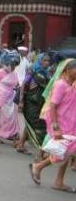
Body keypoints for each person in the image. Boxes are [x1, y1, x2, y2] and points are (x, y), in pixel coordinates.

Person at [30, 59, 76, 193]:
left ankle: (57, 180)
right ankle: (39, 167)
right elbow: (53, 106)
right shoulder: (60, 85)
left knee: (66, 153)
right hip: (61, 124)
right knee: (64, 152)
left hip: (71, 124)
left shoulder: (72, 85)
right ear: (68, 70)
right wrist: (56, 127)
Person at [17, 53, 51, 156]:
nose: (47, 63)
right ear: (40, 60)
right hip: (31, 102)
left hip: (40, 103)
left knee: (30, 124)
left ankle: (20, 145)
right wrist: (21, 101)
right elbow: (24, 84)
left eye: (48, 61)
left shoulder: (46, 73)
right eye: (44, 60)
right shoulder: (33, 70)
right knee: (37, 125)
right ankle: (42, 150)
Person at [0, 52, 23, 145]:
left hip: (11, 97)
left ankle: (13, 135)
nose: (14, 66)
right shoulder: (2, 71)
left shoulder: (14, 72)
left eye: (15, 65)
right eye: (13, 64)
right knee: (0, 117)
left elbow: (16, 83)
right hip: (1, 96)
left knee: (12, 117)